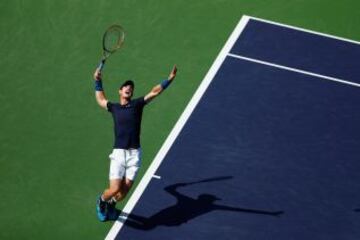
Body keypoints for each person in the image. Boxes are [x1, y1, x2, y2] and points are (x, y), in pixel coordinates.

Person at [93, 63, 177, 221]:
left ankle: (110, 205)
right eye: (125, 86)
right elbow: (100, 99)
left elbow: (154, 92)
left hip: (134, 154)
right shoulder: (114, 107)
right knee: (115, 188)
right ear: (120, 91)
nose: (128, 87)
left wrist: (169, 80)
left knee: (123, 193)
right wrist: (97, 81)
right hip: (119, 153)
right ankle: (102, 201)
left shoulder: (137, 105)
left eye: (131, 87)